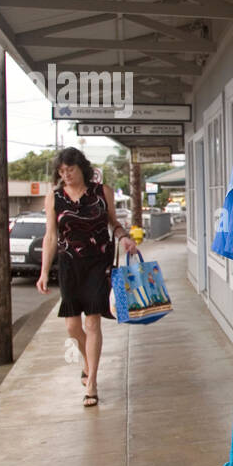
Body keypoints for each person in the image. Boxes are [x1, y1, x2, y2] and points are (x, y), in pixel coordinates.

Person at [36, 149, 137, 407]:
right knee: (72, 327)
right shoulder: (55, 197)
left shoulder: (102, 192)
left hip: (98, 265)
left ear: (81, 167)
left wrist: (124, 237)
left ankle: (91, 382)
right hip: (69, 266)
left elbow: (112, 222)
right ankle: (87, 361)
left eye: (69, 169)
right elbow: (50, 236)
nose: (65, 175)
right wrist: (44, 272)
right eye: (61, 171)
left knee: (92, 324)